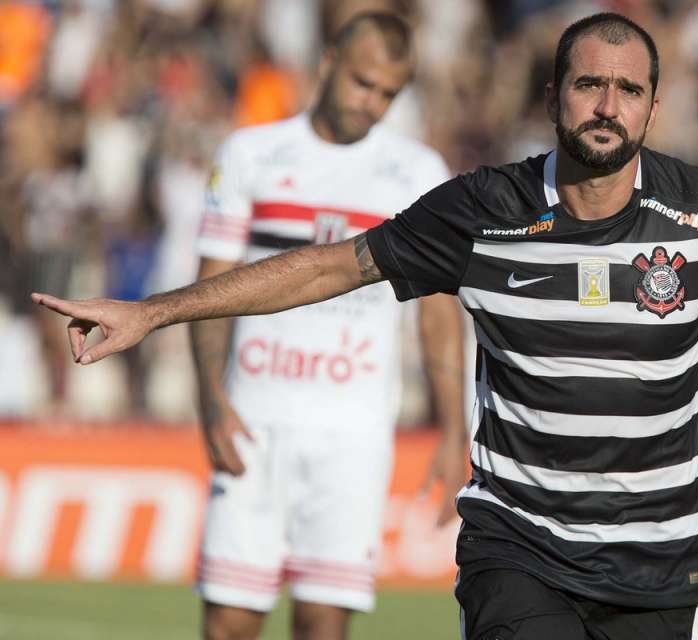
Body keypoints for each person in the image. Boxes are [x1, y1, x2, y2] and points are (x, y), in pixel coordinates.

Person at [32, 12, 698, 640]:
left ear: (653, 104)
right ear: (554, 97)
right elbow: (335, 264)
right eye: (587, 84)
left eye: (626, 88)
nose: (606, 104)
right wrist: (151, 313)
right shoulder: (483, 208)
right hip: (520, 544)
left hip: (660, 558)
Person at [189, 12, 466, 640]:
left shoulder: (417, 173)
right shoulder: (252, 153)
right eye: (362, 83)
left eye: (388, 94)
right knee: (229, 623)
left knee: (323, 625)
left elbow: (438, 312)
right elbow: (207, 294)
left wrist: (455, 431)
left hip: (353, 432)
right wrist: (210, 400)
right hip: (254, 418)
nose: (371, 103)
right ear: (327, 65)